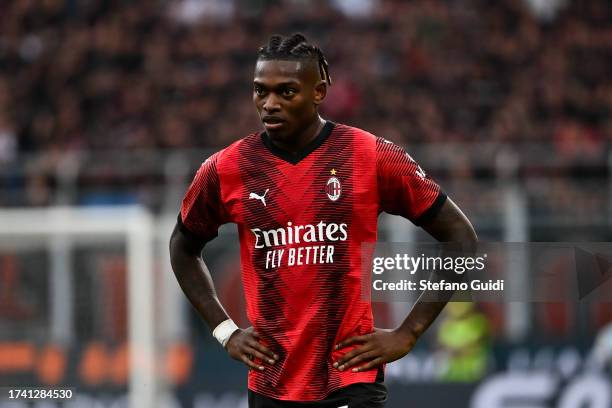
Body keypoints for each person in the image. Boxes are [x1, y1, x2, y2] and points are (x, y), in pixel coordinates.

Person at [169, 33, 477, 408]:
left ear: (318, 91)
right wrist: (225, 331)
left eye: (285, 92)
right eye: (259, 91)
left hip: (349, 374)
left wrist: (408, 332)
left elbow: (460, 237)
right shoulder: (226, 169)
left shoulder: (370, 156)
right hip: (271, 380)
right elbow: (183, 248)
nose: (269, 104)